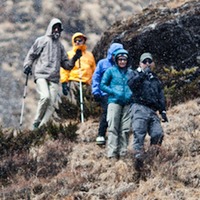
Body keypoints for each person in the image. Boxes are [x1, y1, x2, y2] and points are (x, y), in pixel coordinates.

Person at [23, 18, 81, 129]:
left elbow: (66, 65)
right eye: (54, 28)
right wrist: (27, 66)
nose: (56, 30)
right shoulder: (41, 41)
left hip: (54, 77)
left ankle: (41, 128)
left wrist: (75, 58)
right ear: (50, 28)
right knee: (45, 97)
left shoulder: (60, 46)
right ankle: (37, 121)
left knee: (52, 105)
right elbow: (31, 55)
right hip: (41, 74)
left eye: (58, 29)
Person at [127, 52, 168, 170]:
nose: (147, 64)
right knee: (139, 133)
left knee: (158, 134)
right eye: (145, 62)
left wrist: (163, 111)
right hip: (139, 107)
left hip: (153, 110)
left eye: (149, 61)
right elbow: (131, 85)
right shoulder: (134, 74)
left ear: (153, 63)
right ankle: (137, 164)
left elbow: (160, 95)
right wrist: (142, 75)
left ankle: (152, 159)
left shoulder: (155, 78)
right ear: (140, 63)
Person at [100, 49, 133, 159]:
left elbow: (136, 85)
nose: (122, 61)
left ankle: (123, 153)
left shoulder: (131, 72)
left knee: (125, 129)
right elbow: (103, 85)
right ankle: (112, 154)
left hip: (128, 103)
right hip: (114, 102)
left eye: (124, 59)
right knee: (113, 127)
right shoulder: (110, 71)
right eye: (120, 59)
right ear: (116, 60)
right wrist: (113, 92)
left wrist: (131, 94)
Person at [92, 42, 124, 145]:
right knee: (107, 111)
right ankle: (101, 134)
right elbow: (96, 77)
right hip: (105, 93)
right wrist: (95, 91)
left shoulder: (122, 64)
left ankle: (116, 134)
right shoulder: (102, 63)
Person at [60, 32, 96, 107]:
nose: (77, 42)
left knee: (86, 103)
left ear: (84, 41)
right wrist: (64, 82)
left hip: (86, 83)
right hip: (74, 81)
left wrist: (94, 82)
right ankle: (75, 116)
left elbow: (93, 70)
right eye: (75, 40)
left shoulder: (89, 55)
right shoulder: (69, 54)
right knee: (74, 102)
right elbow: (64, 70)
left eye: (80, 40)